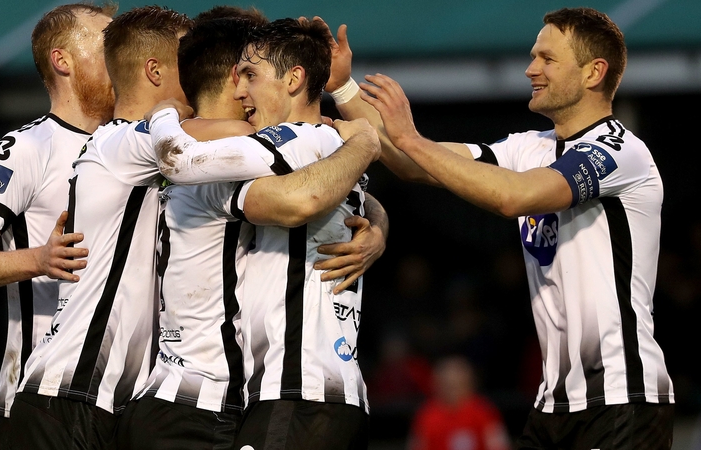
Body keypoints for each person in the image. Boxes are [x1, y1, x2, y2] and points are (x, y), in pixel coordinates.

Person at [326, 7, 675, 449]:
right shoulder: (530, 147)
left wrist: (412, 138)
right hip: (554, 404)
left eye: (547, 58)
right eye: (533, 57)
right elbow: (418, 163)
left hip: (624, 397)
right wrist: (342, 87)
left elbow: (514, 196)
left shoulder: (621, 151)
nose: (531, 68)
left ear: (594, 72)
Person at [115, 11, 387, 450]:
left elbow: (181, 162)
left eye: (251, 75)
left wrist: (163, 115)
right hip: (321, 393)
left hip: (296, 393)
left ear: (293, 79)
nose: (241, 91)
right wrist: (379, 220)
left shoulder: (297, 140)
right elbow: (324, 190)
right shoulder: (333, 148)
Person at [6, 7, 193, 449]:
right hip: (65, 392)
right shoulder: (116, 142)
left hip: (122, 400)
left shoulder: (131, 139)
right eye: (191, 61)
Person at [0, 3, 116, 448]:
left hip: (129, 398)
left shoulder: (141, 143)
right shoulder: (26, 148)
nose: (122, 58)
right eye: (108, 46)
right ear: (63, 60)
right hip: (43, 399)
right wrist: (39, 258)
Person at [408, 354, 511, 450]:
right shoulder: (426, 414)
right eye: (447, 385)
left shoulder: (485, 411)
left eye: (457, 386)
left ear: (469, 384)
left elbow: (500, 446)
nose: (452, 391)